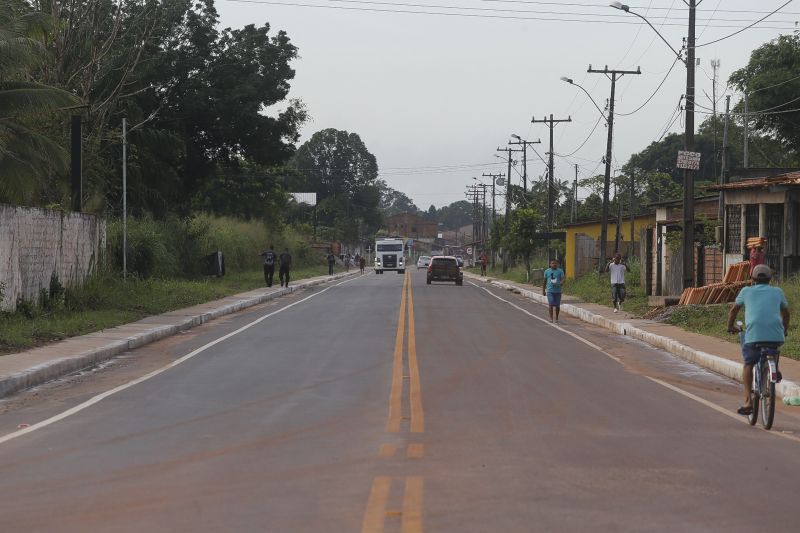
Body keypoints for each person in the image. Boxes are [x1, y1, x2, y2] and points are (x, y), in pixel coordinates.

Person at [726, 264, 790, 416]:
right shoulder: (777, 291)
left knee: (748, 364)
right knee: (773, 348)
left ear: (752, 279)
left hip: (754, 336)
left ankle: (748, 401)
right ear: (770, 279)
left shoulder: (746, 291)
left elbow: (734, 309)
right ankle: (773, 365)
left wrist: (730, 326)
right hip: (776, 335)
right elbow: (786, 313)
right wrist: (784, 329)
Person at [542, 259, 565, 324]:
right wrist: (543, 290)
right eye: (552, 263)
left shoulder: (560, 271)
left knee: (557, 305)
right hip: (550, 291)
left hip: (558, 291)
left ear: (557, 264)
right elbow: (544, 281)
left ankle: (557, 318)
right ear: (550, 264)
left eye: (555, 263)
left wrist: (561, 282)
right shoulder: (547, 271)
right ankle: (551, 318)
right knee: (551, 304)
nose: (554, 264)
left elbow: (563, 279)